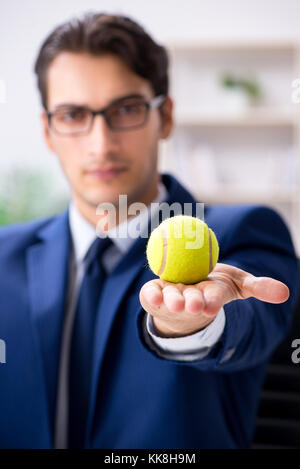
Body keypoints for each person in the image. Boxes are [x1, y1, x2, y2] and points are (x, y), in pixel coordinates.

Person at [0, 12, 299, 450]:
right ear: (48, 130)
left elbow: (248, 324)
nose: (101, 142)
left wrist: (188, 327)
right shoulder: (4, 256)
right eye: (73, 114)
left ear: (167, 117)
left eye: (126, 109)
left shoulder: (243, 232)